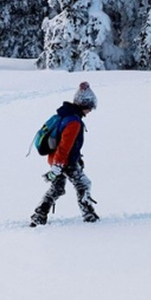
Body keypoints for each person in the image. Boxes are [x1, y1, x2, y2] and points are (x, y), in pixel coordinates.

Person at [30, 82, 100, 227]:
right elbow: (64, 146)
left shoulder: (65, 115)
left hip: (58, 159)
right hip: (64, 162)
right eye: (90, 107)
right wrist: (58, 165)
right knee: (84, 184)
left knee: (57, 188)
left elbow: (69, 146)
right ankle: (89, 215)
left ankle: (39, 215)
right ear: (84, 105)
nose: (90, 111)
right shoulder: (74, 122)